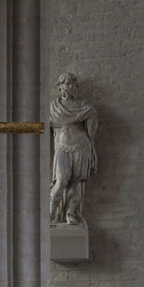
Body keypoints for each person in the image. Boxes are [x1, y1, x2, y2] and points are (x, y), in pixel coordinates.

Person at [49, 72, 98, 225]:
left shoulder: (83, 104)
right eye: (66, 83)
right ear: (60, 86)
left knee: (77, 181)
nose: (70, 86)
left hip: (81, 146)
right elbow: (49, 128)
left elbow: (91, 121)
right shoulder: (54, 106)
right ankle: (51, 211)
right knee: (62, 179)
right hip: (62, 148)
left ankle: (71, 212)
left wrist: (91, 141)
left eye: (72, 84)